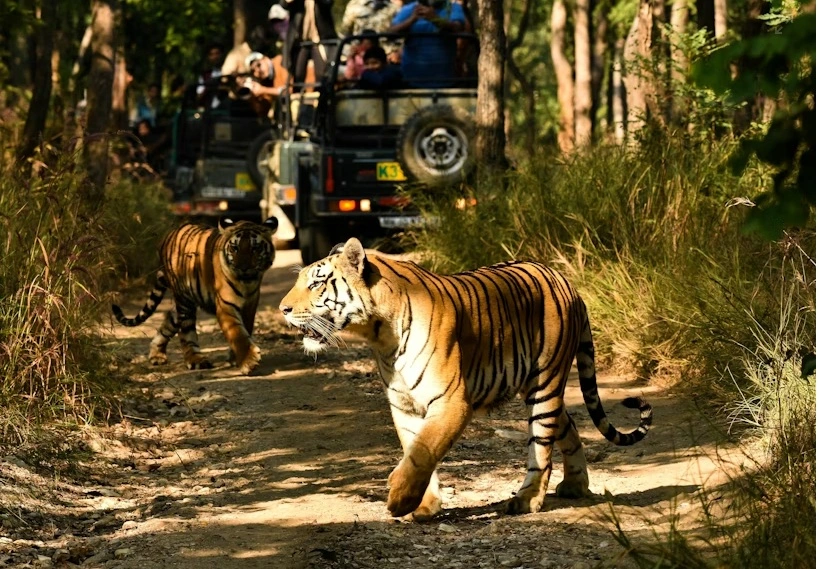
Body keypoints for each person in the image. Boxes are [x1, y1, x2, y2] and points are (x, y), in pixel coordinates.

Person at [387, 0, 465, 88]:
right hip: (411, 81)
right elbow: (390, 33)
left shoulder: (453, 7)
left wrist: (435, 19)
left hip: (445, 80)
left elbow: (458, 28)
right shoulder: (410, 9)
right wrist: (411, 19)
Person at [281, 0, 338, 86]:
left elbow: (328, 2)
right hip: (301, 40)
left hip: (320, 39)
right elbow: (284, 4)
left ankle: (322, 96)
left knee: (322, 74)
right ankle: (297, 96)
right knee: (297, 74)